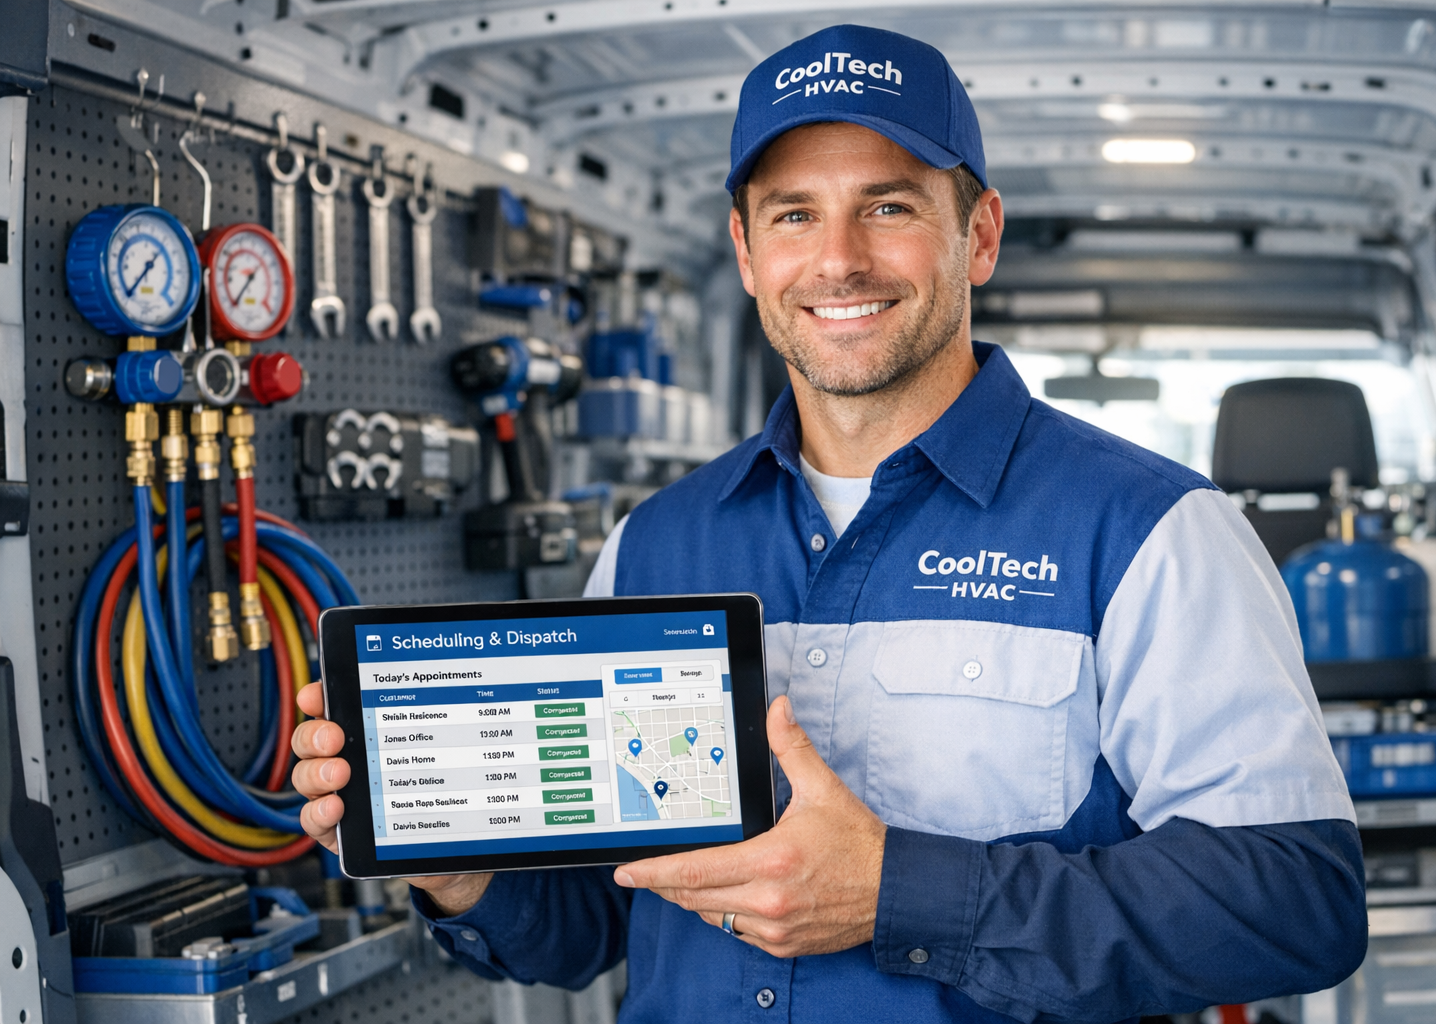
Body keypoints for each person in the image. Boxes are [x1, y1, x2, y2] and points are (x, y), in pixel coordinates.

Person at [291, 24, 1367, 1023]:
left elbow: (1295, 900)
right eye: (795, 213)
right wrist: (460, 867)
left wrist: (897, 893)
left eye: (890, 206)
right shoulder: (656, 542)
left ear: (977, 234)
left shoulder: (1150, 530)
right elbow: (605, 920)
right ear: (749, 250)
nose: (839, 257)